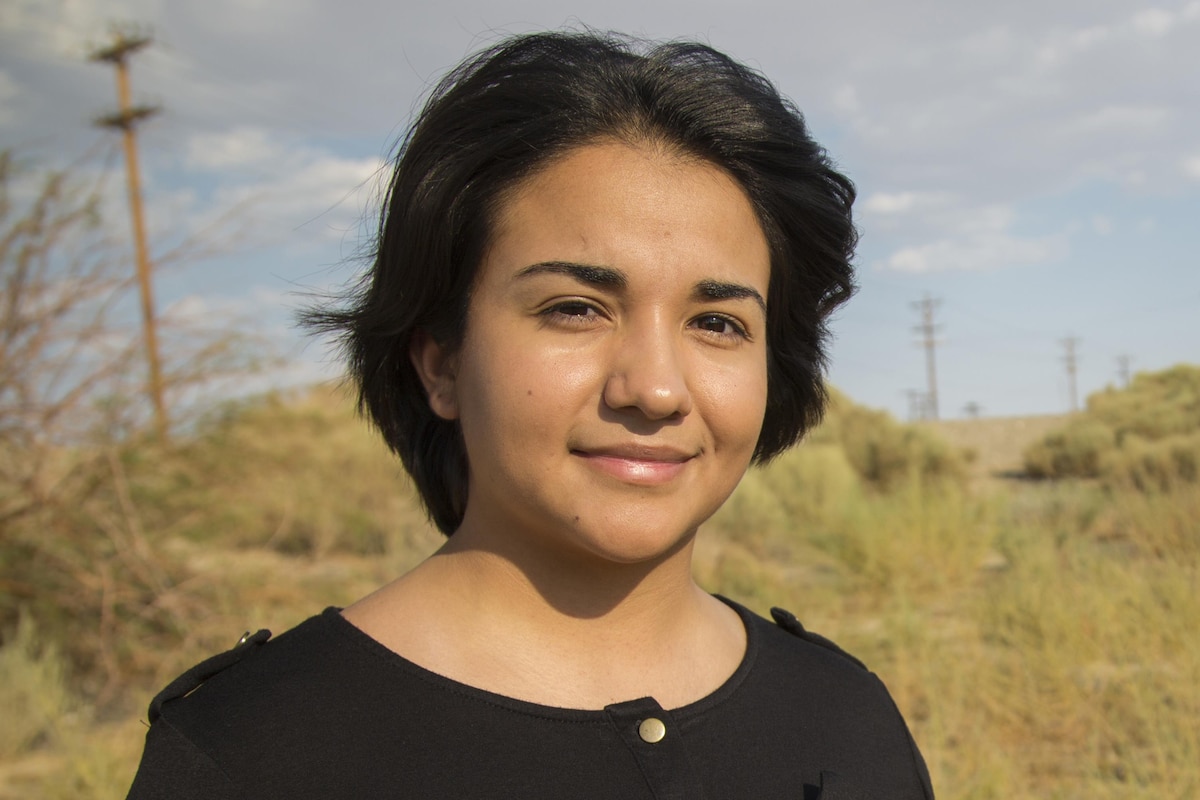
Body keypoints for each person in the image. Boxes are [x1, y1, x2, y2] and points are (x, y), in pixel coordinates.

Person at [126, 30, 934, 799]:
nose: (654, 390)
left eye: (717, 323)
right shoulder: (250, 754)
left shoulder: (845, 713)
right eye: (575, 309)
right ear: (441, 362)